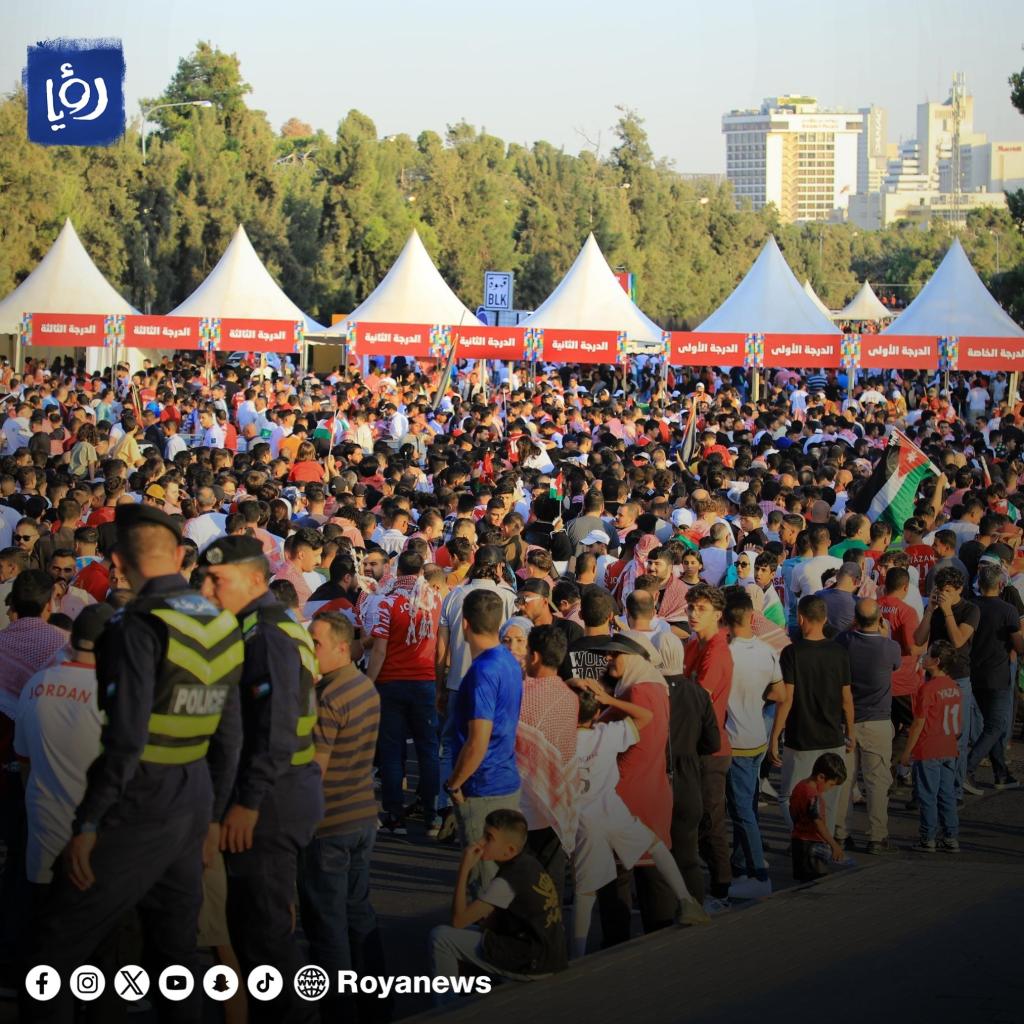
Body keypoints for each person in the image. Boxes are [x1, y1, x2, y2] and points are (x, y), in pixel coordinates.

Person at [25, 504, 244, 1024]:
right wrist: (212, 815)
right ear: (179, 556)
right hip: (192, 797)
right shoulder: (217, 621)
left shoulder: (135, 624)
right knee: (174, 955)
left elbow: (124, 738)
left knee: (54, 947)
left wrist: (88, 823)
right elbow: (230, 735)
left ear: (119, 563)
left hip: (139, 798)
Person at [200, 534, 323, 1024]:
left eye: (218, 580)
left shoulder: (266, 634)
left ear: (254, 579)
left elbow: (274, 728)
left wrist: (247, 803)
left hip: (271, 798)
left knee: (265, 940)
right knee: (256, 932)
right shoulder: (253, 626)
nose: (208, 591)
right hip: (271, 792)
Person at [571, 678, 707, 958]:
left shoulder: (562, 741)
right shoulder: (606, 733)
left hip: (584, 819)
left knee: (585, 890)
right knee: (655, 846)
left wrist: (569, 684)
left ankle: (577, 952)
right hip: (612, 809)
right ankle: (685, 900)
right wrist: (610, 701)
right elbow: (646, 716)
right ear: (596, 713)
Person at [299, 611, 387, 1022]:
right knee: (358, 914)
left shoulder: (328, 697)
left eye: (315, 643)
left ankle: (339, 1010)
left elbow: (314, 771)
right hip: (362, 816)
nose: (310, 650)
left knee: (327, 925)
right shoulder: (364, 687)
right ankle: (375, 1004)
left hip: (330, 824)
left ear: (340, 647)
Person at [429, 809, 566, 1006]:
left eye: (489, 837)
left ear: (509, 850)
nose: (481, 842)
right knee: (469, 933)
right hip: (549, 955)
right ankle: (475, 988)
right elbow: (493, 919)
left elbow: (458, 920)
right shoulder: (528, 863)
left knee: (441, 938)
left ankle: (446, 1009)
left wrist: (464, 869)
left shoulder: (507, 881)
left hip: (534, 962)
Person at [446, 589, 524, 896]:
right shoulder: (507, 661)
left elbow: (478, 740)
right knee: (502, 883)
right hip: (505, 778)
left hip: (482, 786)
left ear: (465, 624)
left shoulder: (483, 671)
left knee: (485, 886)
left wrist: (454, 784)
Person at [366, 549, 441, 835]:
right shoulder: (434, 601)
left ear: (397, 572)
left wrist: (368, 684)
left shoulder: (388, 603)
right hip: (424, 681)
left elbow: (379, 651)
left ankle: (395, 815)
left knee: (392, 749)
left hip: (391, 683)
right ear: (421, 571)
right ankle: (431, 814)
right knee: (428, 750)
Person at [770, 594, 855, 832]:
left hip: (800, 738)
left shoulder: (792, 653)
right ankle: (823, 842)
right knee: (828, 800)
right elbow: (846, 699)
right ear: (825, 618)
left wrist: (775, 735)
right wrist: (851, 731)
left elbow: (787, 699)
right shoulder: (839, 652)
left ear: (800, 618)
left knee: (789, 797)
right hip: (833, 737)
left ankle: (804, 838)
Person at [722, 591, 785, 899]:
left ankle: (758, 873)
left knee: (742, 810)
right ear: (751, 616)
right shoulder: (766, 650)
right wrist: (755, 699)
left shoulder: (724, 654)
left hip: (735, 741)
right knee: (746, 807)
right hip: (757, 736)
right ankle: (743, 865)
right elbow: (779, 694)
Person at [514, 625, 579, 905]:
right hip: (556, 800)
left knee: (519, 882)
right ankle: (553, 926)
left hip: (522, 803)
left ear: (535, 656)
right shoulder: (570, 697)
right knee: (551, 879)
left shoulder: (520, 694)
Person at [834, 599, 901, 854]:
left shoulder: (844, 642)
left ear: (856, 620)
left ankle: (841, 833)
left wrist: (851, 626)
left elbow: (838, 638)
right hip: (878, 720)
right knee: (877, 781)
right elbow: (896, 664)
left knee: (845, 781)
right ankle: (877, 836)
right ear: (879, 619)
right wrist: (885, 634)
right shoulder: (889, 647)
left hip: (846, 720)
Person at [682, 583, 733, 909]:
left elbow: (696, 699)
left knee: (711, 822)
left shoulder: (716, 650)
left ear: (717, 614)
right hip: (693, 746)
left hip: (710, 750)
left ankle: (721, 890)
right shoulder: (694, 645)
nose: (693, 613)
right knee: (696, 820)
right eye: (691, 607)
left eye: (701, 608)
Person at [913, 566, 979, 802]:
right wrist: (930, 611)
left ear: (959, 590)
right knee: (928, 733)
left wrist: (948, 611)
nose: (943, 595)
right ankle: (924, 790)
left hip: (958, 678)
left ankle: (955, 790)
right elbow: (918, 639)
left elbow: (959, 641)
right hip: (933, 679)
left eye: (948, 591)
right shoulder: (935, 607)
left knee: (956, 737)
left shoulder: (970, 610)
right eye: (940, 590)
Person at [964, 562, 1023, 792]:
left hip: (975, 672)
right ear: (1000, 585)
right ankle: (967, 769)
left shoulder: (971, 607)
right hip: (997, 674)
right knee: (997, 725)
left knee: (992, 724)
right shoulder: (1008, 610)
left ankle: (1001, 774)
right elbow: (1019, 645)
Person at [900, 641, 963, 853]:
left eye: (927, 655)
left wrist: (907, 752)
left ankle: (928, 838)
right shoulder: (955, 687)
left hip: (929, 748)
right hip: (949, 746)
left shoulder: (927, 689)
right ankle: (951, 837)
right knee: (947, 794)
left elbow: (918, 723)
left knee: (928, 795)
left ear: (936, 661)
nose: (923, 657)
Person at [789, 752, 849, 882]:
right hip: (811, 845)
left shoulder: (800, 786)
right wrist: (834, 844)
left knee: (803, 881)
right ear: (821, 777)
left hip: (798, 840)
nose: (830, 789)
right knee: (816, 881)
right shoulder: (813, 796)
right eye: (831, 784)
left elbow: (792, 811)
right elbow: (818, 823)